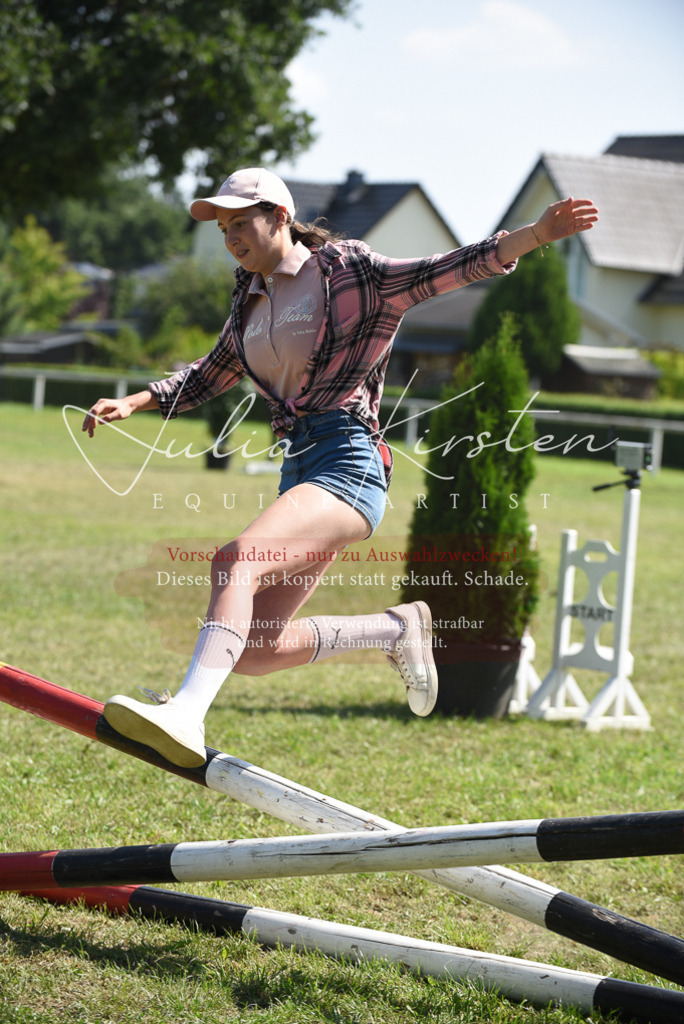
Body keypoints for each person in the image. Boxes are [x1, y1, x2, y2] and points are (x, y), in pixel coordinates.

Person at [82, 167, 598, 768]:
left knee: (235, 561)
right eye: (224, 229)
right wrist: (139, 400)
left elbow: (443, 270)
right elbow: (211, 372)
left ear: (279, 216)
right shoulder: (250, 297)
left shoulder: (350, 273)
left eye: (241, 224)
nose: (232, 239)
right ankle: (393, 629)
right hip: (298, 468)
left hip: (349, 463)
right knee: (254, 647)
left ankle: (186, 714)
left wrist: (533, 236)